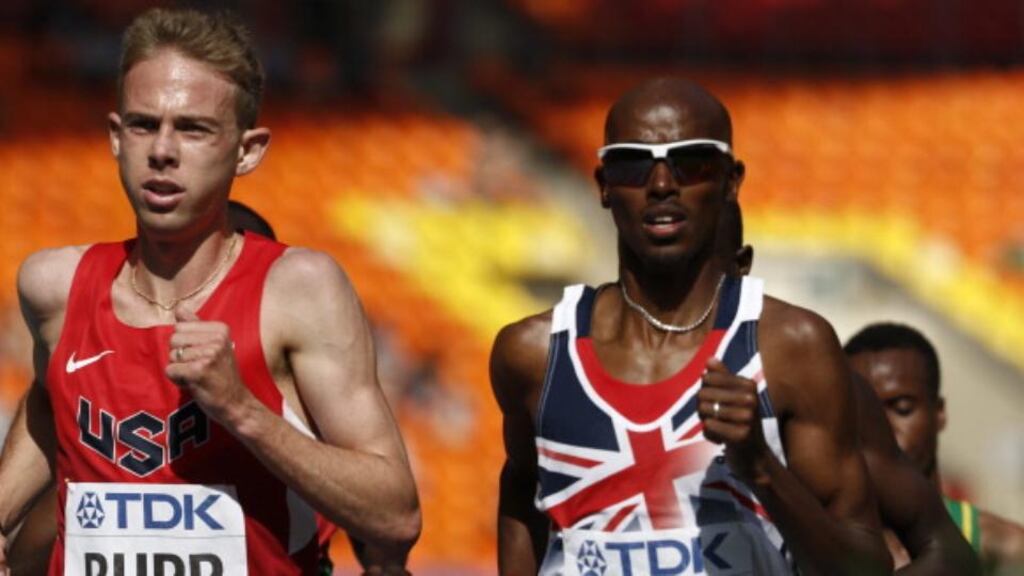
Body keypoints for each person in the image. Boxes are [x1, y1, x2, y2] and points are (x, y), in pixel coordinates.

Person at [0, 8, 420, 575]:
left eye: (193, 129)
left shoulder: (297, 290)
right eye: (144, 125)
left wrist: (241, 409)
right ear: (116, 139)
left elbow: (395, 516)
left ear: (248, 151)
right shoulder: (54, 286)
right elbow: (53, 403)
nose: (163, 151)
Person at [491, 77, 892, 575]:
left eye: (692, 163)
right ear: (603, 186)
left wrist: (762, 469)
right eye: (634, 165)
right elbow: (521, 494)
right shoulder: (534, 353)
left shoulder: (790, 346)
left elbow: (865, 568)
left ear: (730, 181)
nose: (662, 185)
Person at [722, 202, 980, 574]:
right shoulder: (606, 366)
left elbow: (949, 554)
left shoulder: (802, 376)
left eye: (902, 407)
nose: (886, 424)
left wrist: (762, 467)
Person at [846, 323, 1024, 573]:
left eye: (902, 408)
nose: (882, 428)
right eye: (865, 412)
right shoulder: (806, 542)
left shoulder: (1004, 547)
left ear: (939, 412)